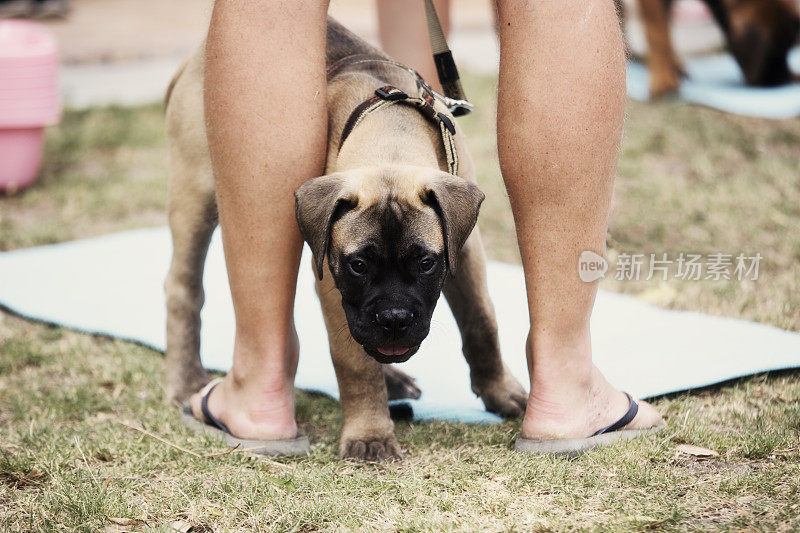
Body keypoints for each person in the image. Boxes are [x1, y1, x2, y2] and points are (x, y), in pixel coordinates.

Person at [188, 0, 663, 452]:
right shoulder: (347, 196)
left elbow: (463, 254)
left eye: (424, 262)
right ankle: (565, 384)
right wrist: (366, 411)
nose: (394, 312)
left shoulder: (444, 173)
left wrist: (487, 364)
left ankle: (260, 387)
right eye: (357, 266)